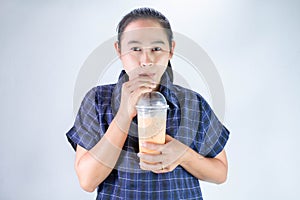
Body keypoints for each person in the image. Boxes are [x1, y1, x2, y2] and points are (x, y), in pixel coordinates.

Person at [66, 7, 230, 200]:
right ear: (119, 50)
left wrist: (185, 155)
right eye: (135, 49)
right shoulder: (97, 100)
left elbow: (221, 173)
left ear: (171, 50)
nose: (146, 60)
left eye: (156, 49)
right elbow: (87, 180)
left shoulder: (193, 103)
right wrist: (124, 114)